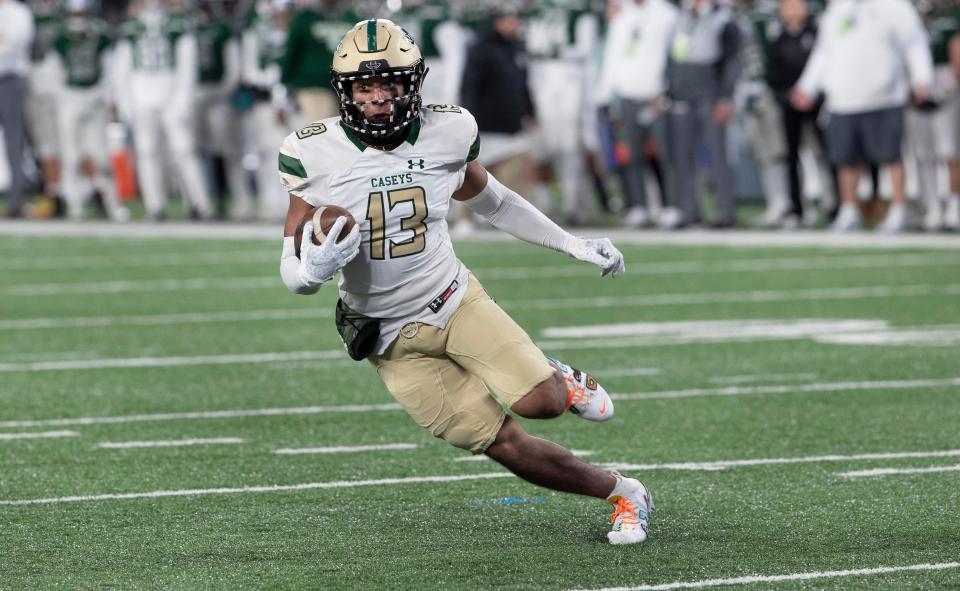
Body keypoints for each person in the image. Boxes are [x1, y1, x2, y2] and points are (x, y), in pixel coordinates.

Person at [277, 19, 651, 545]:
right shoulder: (312, 151)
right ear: (346, 92)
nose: (380, 98)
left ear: (415, 83)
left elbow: (493, 200)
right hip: (387, 336)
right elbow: (291, 263)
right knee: (505, 444)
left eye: (391, 84)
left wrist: (572, 243)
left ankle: (559, 378)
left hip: (453, 299)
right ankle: (625, 494)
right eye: (365, 87)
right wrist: (311, 272)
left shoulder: (448, 130)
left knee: (541, 402)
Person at [792, 0, 932, 233]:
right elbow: (824, 51)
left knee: (891, 155)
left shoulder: (893, 6)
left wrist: (922, 77)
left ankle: (898, 209)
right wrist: (807, 86)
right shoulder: (837, 8)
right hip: (843, 97)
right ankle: (849, 209)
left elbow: (914, 41)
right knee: (846, 158)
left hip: (884, 96)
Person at [113, 0, 213, 221]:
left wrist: (182, 100)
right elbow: (122, 68)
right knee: (147, 152)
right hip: (141, 95)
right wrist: (125, 102)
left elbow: (188, 65)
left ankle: (199, 203)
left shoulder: (178, 24)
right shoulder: (130, 28)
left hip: (170, 95)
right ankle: (155, 205)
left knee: (184, 151)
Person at [596, 0, 678, 229]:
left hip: (655, 93)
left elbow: (673, 53)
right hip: (627, 94)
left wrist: (666, 90)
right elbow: (612, 56)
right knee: (631, 155)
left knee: (664, 154)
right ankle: (638, 206)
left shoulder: (666, 13)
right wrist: (605, 94)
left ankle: (671, 205)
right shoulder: (623, 15)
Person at [49, 0, 130, 222]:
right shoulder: (60, 37)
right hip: (70, 98)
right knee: (71, 156)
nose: (78, 17)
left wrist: (105, 98)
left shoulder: (100, 35)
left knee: (100, 156)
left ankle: (113, 204)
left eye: (81, 12)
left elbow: (108, 70)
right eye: (75, 13)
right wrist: (64, 98)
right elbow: (55, 73)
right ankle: (75, 206)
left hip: (93, 100)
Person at [666, 0, 742, 228]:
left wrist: (725, 97)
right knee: (684, 155)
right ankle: (689, 210)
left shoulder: (723, 18)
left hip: (710, 91)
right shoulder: (680, 16)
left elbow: (732, 61)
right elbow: (672, 56)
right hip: (682, 91)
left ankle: (724, 212)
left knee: (718, 154)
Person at [0, 0, 34, 218]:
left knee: (15, 141)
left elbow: (14, 45)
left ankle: (16, 201)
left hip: (10, 80)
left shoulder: (18, 12)